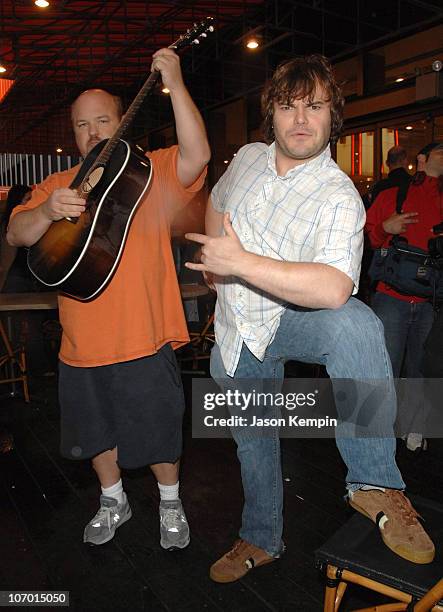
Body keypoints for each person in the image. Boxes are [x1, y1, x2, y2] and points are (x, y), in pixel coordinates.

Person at [185, 54, 435, 583]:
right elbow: (217, 198)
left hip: (290, 315)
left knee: (357, 324)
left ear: (332, 117)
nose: (300, 119)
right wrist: (215, 260)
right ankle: (260, 539)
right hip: (237, 328)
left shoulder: (339, 196)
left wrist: (240, 263)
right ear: (271, 115)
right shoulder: (250, 157)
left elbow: (333, 288)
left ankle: (372, 482)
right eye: (288, 106)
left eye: (314, 107)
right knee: (254, 445)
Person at [7, 48, 210, 549]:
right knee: (94, 434)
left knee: (160, 432)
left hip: (145, 338)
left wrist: (177, 85)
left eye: (103, 120)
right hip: (81, 344)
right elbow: (17, 233)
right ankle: (112, 499)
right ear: (73, 135)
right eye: (82, 125)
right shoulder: (56, 184)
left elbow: (198, 155)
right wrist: (49, 210)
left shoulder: (151, 172)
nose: (93, 132)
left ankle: (170, 503)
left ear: (123, 123)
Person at [365, 142, 443, 451]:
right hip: (391, 296)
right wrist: (386, 227)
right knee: (386, 367)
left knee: (421, 368)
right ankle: (380, 433)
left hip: (430, 299)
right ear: (421, 159)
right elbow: (368, 237)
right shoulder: (394, 194)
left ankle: (414, 429)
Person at [0, 184, 32, 292]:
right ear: (17, 201)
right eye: (28, 199)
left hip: (33, 275)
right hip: (16, 276)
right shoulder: (7, 225)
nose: (32, 202)